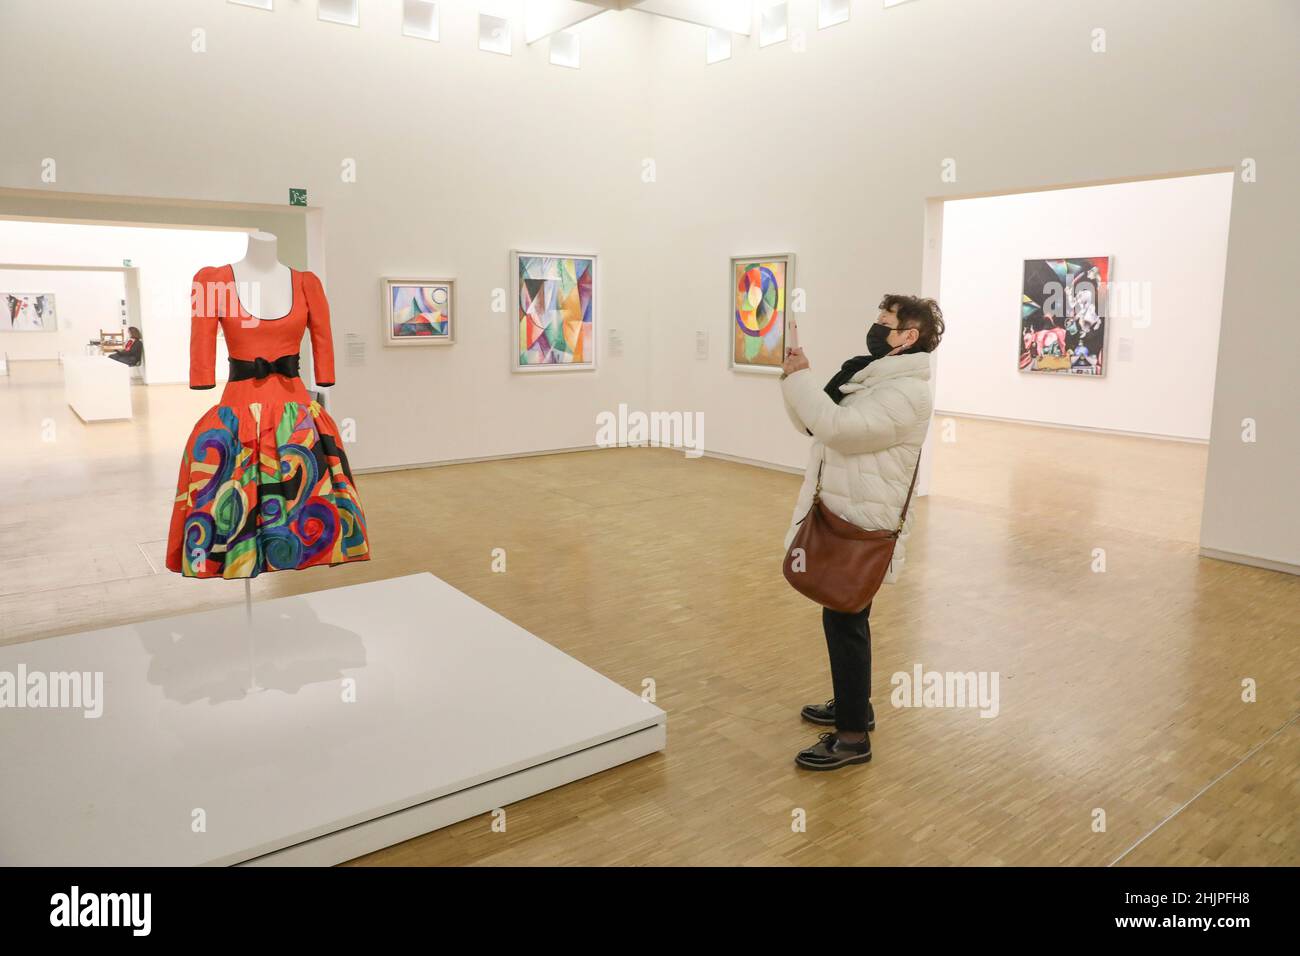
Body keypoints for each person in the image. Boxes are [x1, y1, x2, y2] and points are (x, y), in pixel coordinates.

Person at [779, 294, 943, 771]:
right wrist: (798, 379)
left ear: (908, 336)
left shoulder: (906, 392)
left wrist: (804, 381)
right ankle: (855, 706)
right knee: (845, 616)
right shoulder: (869, 373)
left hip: (865, 521)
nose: (874, 329)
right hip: (845, 510)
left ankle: (852, 737)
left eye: (883, 322)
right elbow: (813, 425)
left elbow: (840, 429)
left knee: (846, 620)